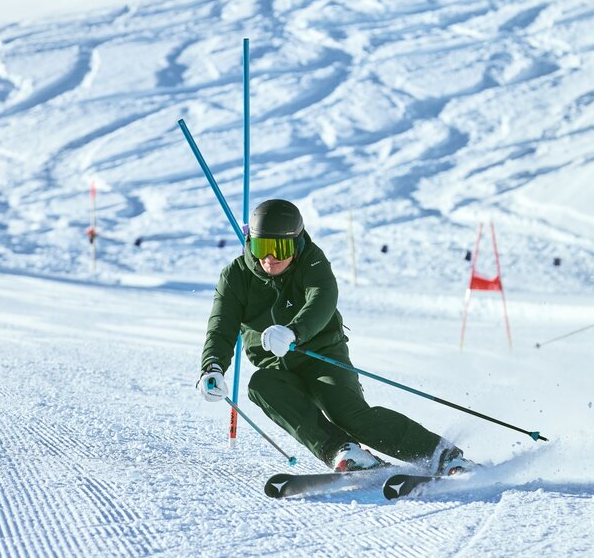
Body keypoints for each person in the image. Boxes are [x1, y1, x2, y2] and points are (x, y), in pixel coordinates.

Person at [196, 198, 471, 475]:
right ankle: (345, 451)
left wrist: (294, 332)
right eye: (261, 247)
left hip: (322, 355)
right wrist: (213, 366)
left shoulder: (311, 259)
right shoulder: (235, 276)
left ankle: (444, 456)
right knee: (261, 386)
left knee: (350, 416)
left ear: (296, 242)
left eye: (279, 248)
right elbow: (221, 325)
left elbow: (323, 298)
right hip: (275, 366)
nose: (270, 258)